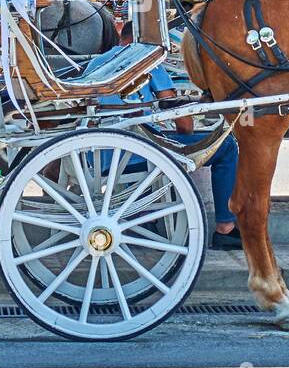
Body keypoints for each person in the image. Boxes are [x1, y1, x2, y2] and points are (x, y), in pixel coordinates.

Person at [85, 23, 241, 250]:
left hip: (103, 159)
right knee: (226, 147)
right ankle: (225, 227)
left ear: (122, 37)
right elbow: (180, 117)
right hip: (140, 154)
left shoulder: (95, 64)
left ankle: (146, 216)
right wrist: (186, 138)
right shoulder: (146, 62)